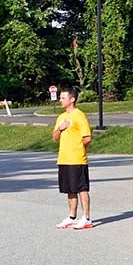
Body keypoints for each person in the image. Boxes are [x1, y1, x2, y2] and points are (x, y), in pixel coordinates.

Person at [53, 86, 93, 230]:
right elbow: (55, 138)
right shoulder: (61, 117)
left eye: (63, 98)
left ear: (72, 99)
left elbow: (87, 138)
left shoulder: (79, 115)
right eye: (60, 97)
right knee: (70, 189)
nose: (60, 100)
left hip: (77, 159)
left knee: (81, 188)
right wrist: (60, 128)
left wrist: (79, 149)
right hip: (63, 158)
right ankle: (72, 217)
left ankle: (86, 218)